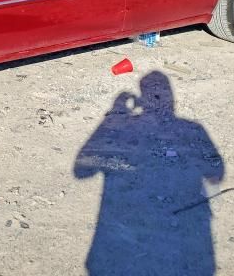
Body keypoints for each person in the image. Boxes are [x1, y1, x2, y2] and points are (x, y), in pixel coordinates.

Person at [74, 71, 224, 275]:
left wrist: (116, 111)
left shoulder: (186, 127)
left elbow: (81, 171)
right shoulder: (193, 127)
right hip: (185, 245)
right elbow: (216, 173)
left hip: (121, 240)